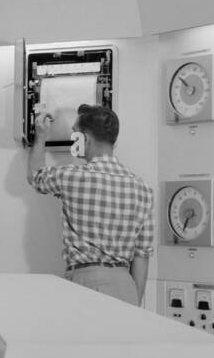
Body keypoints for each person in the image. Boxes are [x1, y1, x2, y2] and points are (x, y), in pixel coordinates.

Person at [26, 102, 154, 306]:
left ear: (84, 138)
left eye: (74, 133)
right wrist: (135, 302)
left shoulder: (72, 177)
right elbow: (142, 255)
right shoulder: (143, 189)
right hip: (126, 285)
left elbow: (35, 176)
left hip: (87, 282)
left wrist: (41, 135)